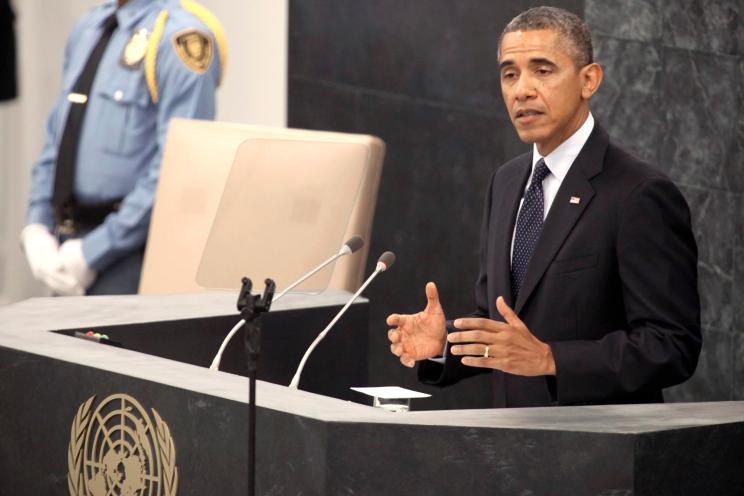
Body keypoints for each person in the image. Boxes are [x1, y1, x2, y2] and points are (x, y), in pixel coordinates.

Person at [387, 6, 701, 408]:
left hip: (601, 456)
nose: (522, 90)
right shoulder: (506, 181)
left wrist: (552, 360)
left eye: (543, 70)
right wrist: (443, 345)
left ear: (589, 80)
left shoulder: (639, 193)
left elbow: (672, 346)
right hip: (513, 449)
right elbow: (503, 326)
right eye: (510, 74)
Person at [20, 0, 226, 295]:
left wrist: (93, 252)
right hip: (66, 243)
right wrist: (37, 224)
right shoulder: (90, 27)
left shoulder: (181, 39)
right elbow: (60, 134)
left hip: (129, 254)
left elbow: (177, 168)